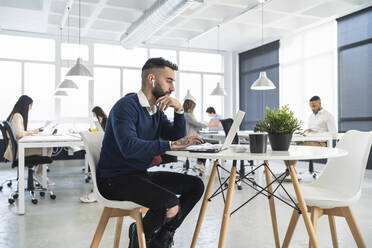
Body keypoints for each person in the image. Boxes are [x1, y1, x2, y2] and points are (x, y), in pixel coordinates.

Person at [97, 57, 205, 248]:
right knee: (169, 204)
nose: (172, 88)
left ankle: (162, 237)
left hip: (139, 176)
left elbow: (175, 137)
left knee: (195, 186)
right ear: (152, 79)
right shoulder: (126, 107)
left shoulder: (156, 111)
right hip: (114, 180)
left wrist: (179, 111)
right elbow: (129, 147)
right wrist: (171, 144)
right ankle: (139, 240)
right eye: (169, 81)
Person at [4, 95, 54, 185]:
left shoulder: (15, 115)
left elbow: (19, 132)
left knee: (47, 148)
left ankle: (38, 173)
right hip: (18, 151)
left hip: (16, 149)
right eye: (31, 105)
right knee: (49, 148)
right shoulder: (17, 116)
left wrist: (32, 132)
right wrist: (32, 132)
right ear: (26, 105)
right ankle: (38, 174)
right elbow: (19, 133)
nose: (31, 108)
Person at [80, 106, 108, 203]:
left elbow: (105, 133)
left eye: (93, 114)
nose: (93, 116)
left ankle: (98, 191)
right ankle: (97, 190)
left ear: (96, 113)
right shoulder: (99, 121)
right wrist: (93, 131)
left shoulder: (106, 120)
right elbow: (100, 132)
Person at [184, 99, 219, 173]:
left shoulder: (187, 115)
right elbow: (198, 124)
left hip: (191, 137)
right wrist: (210, 124)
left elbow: (196, 126)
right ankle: (200, 163)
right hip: (189, 139)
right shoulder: (187, 115)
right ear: (190, 107)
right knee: (207, 144)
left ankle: (200, 163)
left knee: (209, 142)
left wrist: (200, 128)